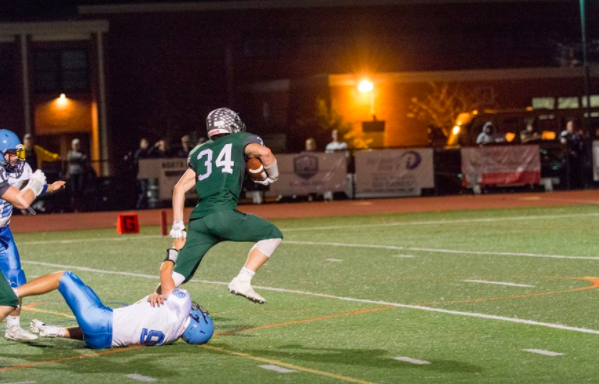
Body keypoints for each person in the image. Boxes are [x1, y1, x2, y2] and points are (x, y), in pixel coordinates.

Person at [167, 108, 283, 304]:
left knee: (178, 274)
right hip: (223, 215)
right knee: (272, 234)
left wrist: (178, 223)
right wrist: (272, 176)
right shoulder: (240, 139)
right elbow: (265, 152)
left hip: (199, 220)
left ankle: (146, 305)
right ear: (231, 125)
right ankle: (242, 280)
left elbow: (179, 188)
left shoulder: (199, 151)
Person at [12, 238, 214, 348]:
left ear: (197, 320)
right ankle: (58, 331)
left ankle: (12, 293)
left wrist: (174, 249)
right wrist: (150, 298)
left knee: (64, 277)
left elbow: (165, 271)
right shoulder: (168, 337)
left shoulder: (182, 305)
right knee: (112, 322)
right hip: (100, 341)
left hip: (100, 320)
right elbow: (131, 323)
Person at [1, 132, 66, 340]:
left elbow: (28, 189)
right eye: (10, 154)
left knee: (16, 276)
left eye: (16, 152)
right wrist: (37, 185)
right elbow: (21, 201)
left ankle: (13, 328)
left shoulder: (20, 169)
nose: (16, 158)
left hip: (3, 233)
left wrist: (47, 187)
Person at [560, 119, 584, 189]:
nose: (571, 127)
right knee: (567, 172)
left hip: (576, 157)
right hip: (567, 157)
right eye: (569, 126)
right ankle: (568, 186)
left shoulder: (577, 135)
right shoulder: (564, 134)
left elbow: (580, 144)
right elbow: (562, 140)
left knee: (577, 172)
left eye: (572, 125)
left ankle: (578, 186)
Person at [67, 138, 88, 212]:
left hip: (81, 173)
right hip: (73, 173)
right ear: (72, 146)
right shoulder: (70, 153)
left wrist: (76, 159)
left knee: (81, 190)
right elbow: (70, 158)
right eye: (74, 145)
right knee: (74, 190)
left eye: (77, 145)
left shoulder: (83, 153)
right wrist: (79, 158)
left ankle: (81, 207)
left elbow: (84, 158)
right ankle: (74, 207)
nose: (76, 146)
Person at [134, 138, 150, 209]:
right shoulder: (140, 152)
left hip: (146, 174)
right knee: (144, 191)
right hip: (142, 174)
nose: (146, 145)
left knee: (146, 191)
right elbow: (137, 162)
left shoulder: (146, 152)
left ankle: (143, 205)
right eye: (144, 143)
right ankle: (138, 206)